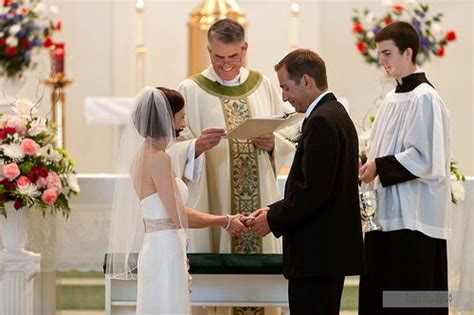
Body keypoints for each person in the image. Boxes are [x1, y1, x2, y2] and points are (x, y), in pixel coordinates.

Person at [106, 86, 248, 315]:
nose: (184, 122)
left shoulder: (142, 156)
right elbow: (179, 215)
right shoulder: (158, 159)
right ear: (166, 119)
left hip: (158, 245)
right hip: (164, 249)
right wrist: (226, 221)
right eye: (181, 116)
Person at [247, 49, 364, 315]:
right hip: (325, 251)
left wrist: (273, 218)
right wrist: (273, 210)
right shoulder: (333, 113)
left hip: (316, 253)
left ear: (307, 81)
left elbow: (313, 191)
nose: (284, 97)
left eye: (286, 87)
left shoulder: (322, 120)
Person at [173, 18, 295, 256]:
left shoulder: (262, 85)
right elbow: (172, 144)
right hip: (215, 194)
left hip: (260, 196)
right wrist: (195, 147)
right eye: (219, 58)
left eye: (233, 57)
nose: (226, 64)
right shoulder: (190, 89)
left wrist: (273, 144)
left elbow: (287, 131)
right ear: (209, 50)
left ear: (244, 48)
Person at [358, 21, 451, 315]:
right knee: (383, 296)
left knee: (409, 298)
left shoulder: (425, 97)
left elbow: (425, 157)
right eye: (380, 54)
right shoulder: (392, 98)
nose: (381, 61)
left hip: (413, 219)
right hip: (387, 215)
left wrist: (378, 166)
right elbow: (380, 149)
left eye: (387, 53)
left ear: (408, 52)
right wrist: (365, 161)